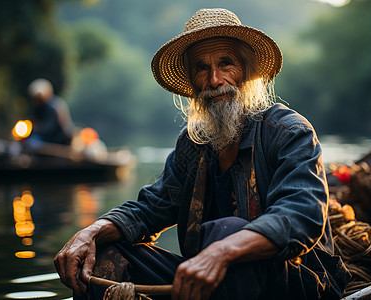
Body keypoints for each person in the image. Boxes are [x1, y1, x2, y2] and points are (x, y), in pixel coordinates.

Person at [54, 8, 350, 300]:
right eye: (201, 68)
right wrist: (92, 232)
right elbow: (151, 208)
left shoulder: (288, 132)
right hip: (212, 282)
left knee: (228, 231)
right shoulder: (193, 144)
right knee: (105, 254)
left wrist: (222, 251)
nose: (215, 79)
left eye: (226, 64)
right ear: (192, 83)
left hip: (299, 282)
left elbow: (301, 215)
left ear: (245, 72)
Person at [26, 78, 74, 148]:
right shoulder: (38, 107)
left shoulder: (54, 107)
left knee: (33, 142)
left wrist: (33, 130)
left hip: (59, 138)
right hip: (48, 137)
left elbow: (49, 128)